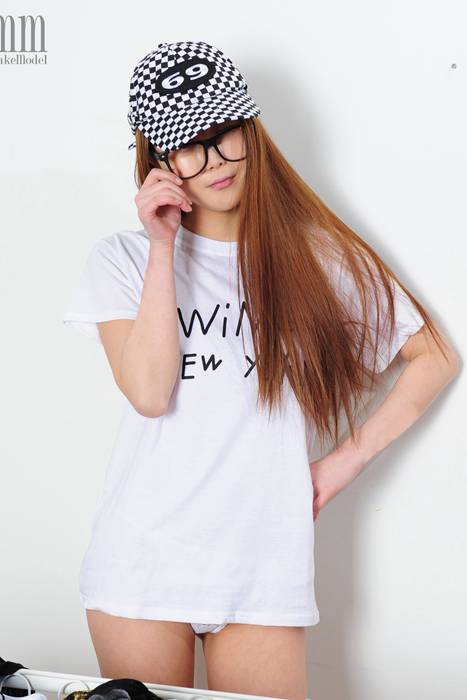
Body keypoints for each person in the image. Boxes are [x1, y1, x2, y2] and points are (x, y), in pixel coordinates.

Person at [62, 40, 460, 700]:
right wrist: (162, 247)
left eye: (222, 134)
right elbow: (149, 393)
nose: (213, 161)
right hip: (140, 564)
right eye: (187, 146)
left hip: (261, 567)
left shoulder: (316, 260)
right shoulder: (123, 261)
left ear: (250, 130)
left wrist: (342, 463)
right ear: (159, 161)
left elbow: (434, 357)